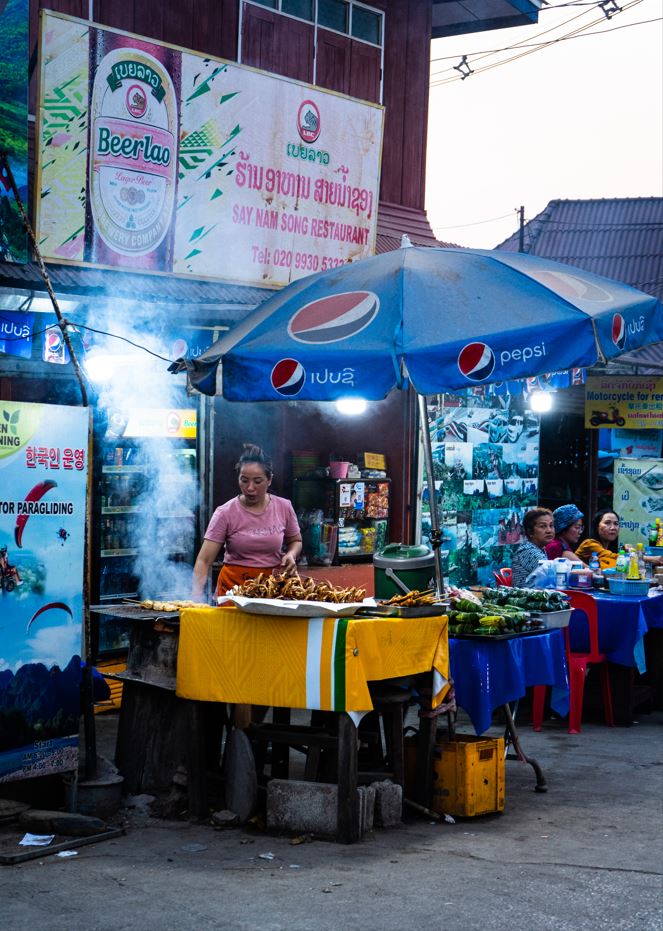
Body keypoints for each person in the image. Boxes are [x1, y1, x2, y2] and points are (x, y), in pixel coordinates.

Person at [192, 444, 303, 600]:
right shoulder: (225, 513)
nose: (250, 488)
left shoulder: (284, 507)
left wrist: (291, 554)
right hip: (232, 592)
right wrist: (195, 598)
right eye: (244, 480)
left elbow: (296, 540)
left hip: (271, 591)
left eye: (257, 481)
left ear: (269, 480)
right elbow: (204, 560)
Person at [575, 509, 663, 570]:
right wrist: (650, 559)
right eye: (607, 523)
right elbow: (611, 557)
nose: (613, 527)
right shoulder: (589, 544)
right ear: (597, 526)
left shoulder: (607, 548)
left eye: (616, 524)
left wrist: (625, 552)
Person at [510, 508, 555, 587]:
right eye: (543, 526)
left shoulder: (540, 548)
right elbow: (555, 576)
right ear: (530, 531)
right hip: (527, 598)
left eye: (551, 525)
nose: (549, 530)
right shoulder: (528, 551)